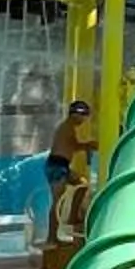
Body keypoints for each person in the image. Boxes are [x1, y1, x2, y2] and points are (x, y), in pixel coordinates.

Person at [45, 101, 97, 245]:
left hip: (61, 165)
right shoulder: (67, 128)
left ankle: (72, 217)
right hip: (57, 166)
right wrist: (89, 145)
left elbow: (72, 146)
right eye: (83, 117)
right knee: (56, 203)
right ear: (76, 115)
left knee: (82, 184)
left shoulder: (68, 127)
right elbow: (74, 145)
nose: (83, 121)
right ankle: (51, 238)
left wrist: (87, 146)